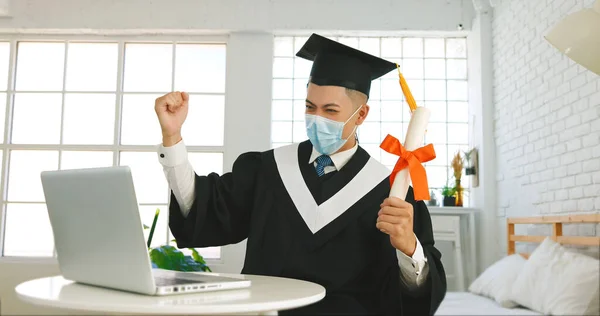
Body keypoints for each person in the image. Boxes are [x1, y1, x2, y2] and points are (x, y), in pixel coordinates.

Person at [155, 33, 446, 315]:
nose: (317, 119)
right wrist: (173, 138)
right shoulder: (269, 169)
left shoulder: (391, 190)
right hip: (267, 312)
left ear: (361, 115)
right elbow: (202, 208)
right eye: (310, 107)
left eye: (331, 110)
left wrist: (409, 247)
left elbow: (414, 294)